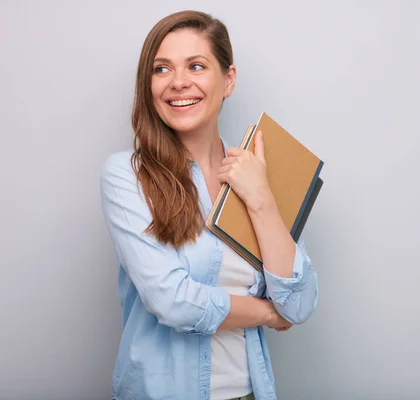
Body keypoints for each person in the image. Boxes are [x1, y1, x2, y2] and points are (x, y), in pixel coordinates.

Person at [99, 10, 318, 400]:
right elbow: (174, 301)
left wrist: (262, 198)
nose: (178, 82)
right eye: (161, 69)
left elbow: (299, 303)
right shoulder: (127, 176)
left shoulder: (258, 173)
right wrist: (268, 313)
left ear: (228, 80)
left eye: (196, 66)